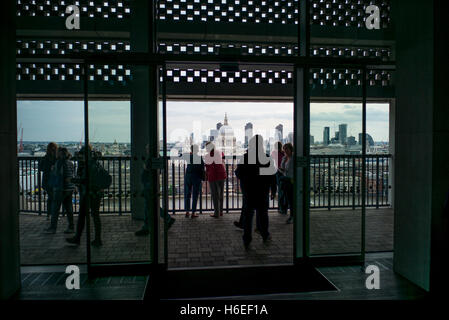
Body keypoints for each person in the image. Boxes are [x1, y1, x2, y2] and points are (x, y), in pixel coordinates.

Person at [235, 135, 277, 249]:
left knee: (248, 216)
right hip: (262, 191)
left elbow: (238, 173)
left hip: (249, 191)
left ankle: (247, 240)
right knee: (263, 214)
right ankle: (264, 234)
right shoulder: (267, 158)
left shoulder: (245, 157)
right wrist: (273, 190)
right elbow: (272, 176)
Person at [66, 146, 104, 247]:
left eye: (81, 155)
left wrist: (72, 180)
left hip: (89, 193)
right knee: (94, 215)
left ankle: (78, 238)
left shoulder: (88, 165)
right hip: (95, 192)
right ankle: (96, 239)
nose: (80, 157)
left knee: (83, 216)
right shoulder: (94, 163)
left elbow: (85, 180)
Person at [135, 144, 175, 236]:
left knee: (149, 206)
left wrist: (145, 167)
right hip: (150, 185)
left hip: (149, 185)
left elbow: (150, 169)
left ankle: (147, 227)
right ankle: (167, 219)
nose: (147, 150)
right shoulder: (157, 157)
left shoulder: (153, 158)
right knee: (151, 206)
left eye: (148, 148)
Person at [44, 147, 75, 234]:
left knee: (55, 209)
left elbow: (56, 174)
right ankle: (71, 227)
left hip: (60, 189)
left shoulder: (59, 163)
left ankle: (53, 228)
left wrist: (52, 169)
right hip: (69, 188)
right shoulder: (70, 163)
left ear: (59, 154)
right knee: (69, 208)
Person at [204, 142, 227, 218]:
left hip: (214, 176)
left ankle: (216, 213)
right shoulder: (220, 152)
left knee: (215, 195)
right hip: (222, 174)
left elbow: (207, 168)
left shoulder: (207, 156)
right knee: (220, 194)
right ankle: (221, 212)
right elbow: (223, 159)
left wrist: (206, 177)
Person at [182, 144, 205, 218]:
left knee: (187, 193)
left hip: (188, 176)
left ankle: (187, 212)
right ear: (197, 150)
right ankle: (193, 213)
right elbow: (202, 168)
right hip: (196, 177)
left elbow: (181, 155)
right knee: (195, 194)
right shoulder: (199, 157)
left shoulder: (188, 157)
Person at [38, 142, 58, 220]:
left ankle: (49, 215)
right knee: (53, 198)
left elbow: (41, 168)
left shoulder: (45, 158)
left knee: (50, 198)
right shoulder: (56, 158)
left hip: (46, 181)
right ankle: (52, 215)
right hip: (54, 181)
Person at [279, 143, 294, 224]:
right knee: (288, 197)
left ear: (291, 149)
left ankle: (292, 215)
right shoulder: (284, 158)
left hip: (291, 180)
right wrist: (281, 169)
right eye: (284, 149)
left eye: (287, 149)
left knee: (291, 199)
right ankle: (289, 212)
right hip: (286, 179)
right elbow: (283, 169)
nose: (285, 151)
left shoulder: (293, 158)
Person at [271, 141, 287, 214]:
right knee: (283, 191)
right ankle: (283, 208)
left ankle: (281, 208)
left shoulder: (274, 152)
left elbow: (271, 160)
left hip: (278, 171)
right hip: (284, 172)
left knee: (280, 190)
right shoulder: (284, 153)